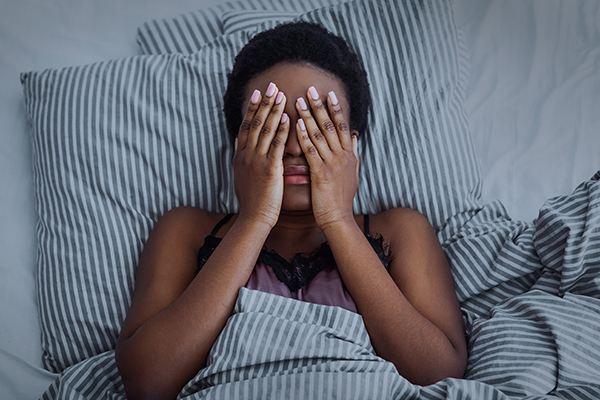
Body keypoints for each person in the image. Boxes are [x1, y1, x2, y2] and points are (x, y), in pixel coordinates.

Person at [115, 21, 467, 400]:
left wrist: (338, 220)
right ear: (239, 144)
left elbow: (436, 373)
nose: (297, 147)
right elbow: (147, 382)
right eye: (274, 125)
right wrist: (254, 219)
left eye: (320, 126)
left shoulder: (400, 231)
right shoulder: (185, 230)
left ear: (353, 145)